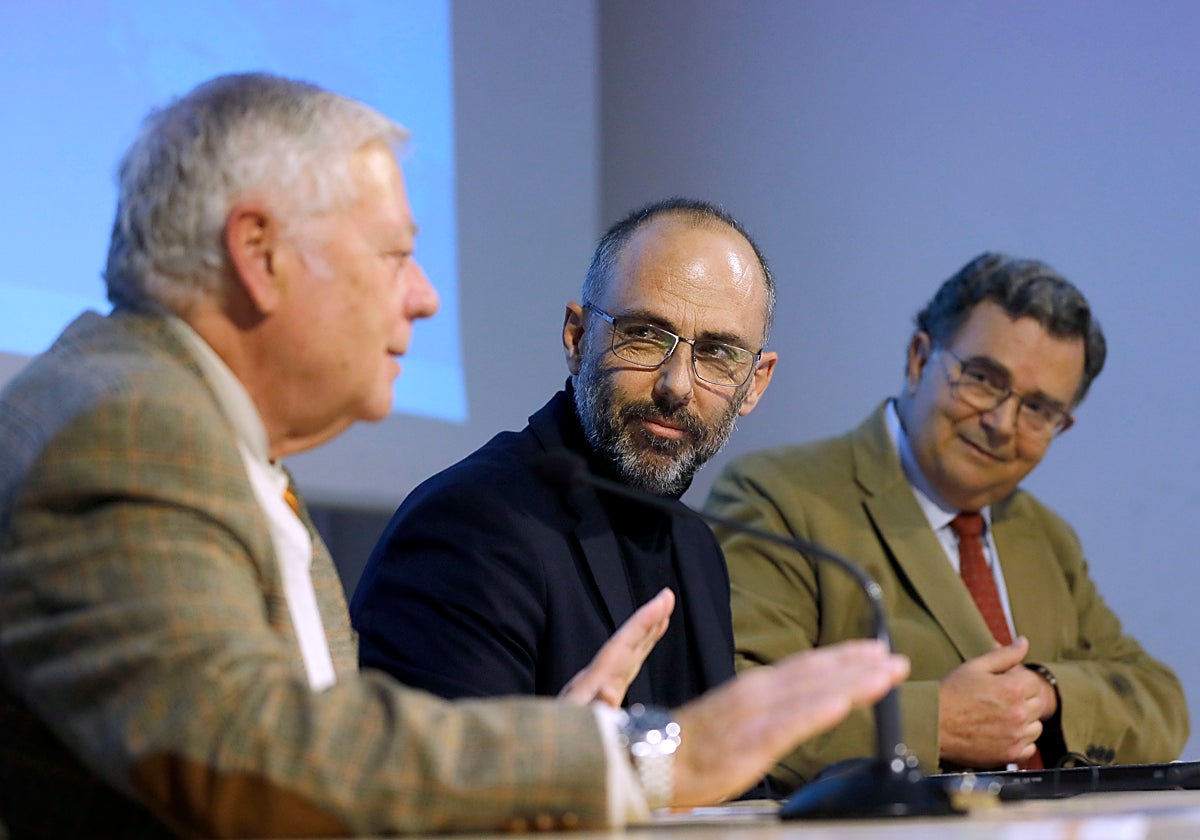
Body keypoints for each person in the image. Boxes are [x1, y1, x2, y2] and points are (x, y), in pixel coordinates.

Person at [0, 72, 909, 838]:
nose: (427, 298)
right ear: (258, 253)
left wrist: (538, 769)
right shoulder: (127, 431)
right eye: (394, 254)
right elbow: (249, 752)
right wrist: (642, 757)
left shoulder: (205, 443)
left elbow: (333, 773)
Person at [705, 252, 1189, 792]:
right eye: (983, 378)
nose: (1001, 424)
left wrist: (1048, 693)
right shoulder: (780, 495)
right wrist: (938, 723)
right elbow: (738, 703)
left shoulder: (1045, 534)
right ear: (918, 359)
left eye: (1038, 409)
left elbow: (1159, 701)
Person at [351, 199, 776, 713]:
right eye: (643, 336)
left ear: (754, 384)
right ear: (576, 338)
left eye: (716, 353)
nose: (677, 386)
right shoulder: (469, 526)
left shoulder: (696, 546)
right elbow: (449, 785)